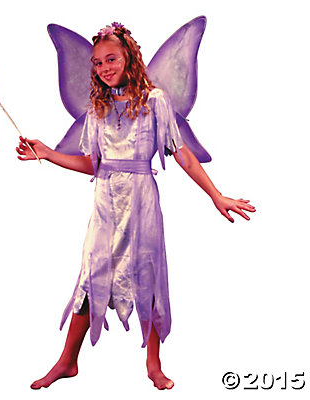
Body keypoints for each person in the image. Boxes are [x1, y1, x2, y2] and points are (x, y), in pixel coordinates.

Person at [16, 22, 256, 390]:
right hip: (106, 203)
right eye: (97, 63)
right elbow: (93, 164)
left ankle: (153, 363)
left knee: (147, 274)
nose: (104, 67)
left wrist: (216, 195)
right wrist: (48, 153)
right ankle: (67, 362)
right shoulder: (97, 109)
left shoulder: (155, 101)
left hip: (142, 201)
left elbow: (182, 153)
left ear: (129, 57)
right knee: (93, 275)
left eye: (111, 59)